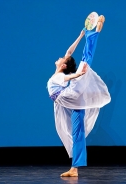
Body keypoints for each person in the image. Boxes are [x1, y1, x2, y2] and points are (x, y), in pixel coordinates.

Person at [47, 15, 111, 177]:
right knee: (77, 132)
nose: (60, 57)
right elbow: (69, 52)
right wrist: (81, 35)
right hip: (68, 102)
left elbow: (67, 77)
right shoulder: (58, 71)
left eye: (61, 59)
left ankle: (96, 32)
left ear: (63, 65)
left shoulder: (60, 76)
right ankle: (74, 169)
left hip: (68, 95)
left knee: (84, 63)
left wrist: (77, 75)